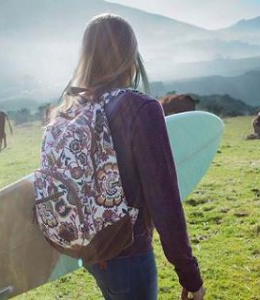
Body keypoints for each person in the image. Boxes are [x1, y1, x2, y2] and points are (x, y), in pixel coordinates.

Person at [51, 13, 205, 300]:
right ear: (130, 55)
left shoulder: (72, 110)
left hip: (93, 253)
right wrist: (189, 274)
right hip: (128, 255)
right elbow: (164, 201)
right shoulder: (140, 108)